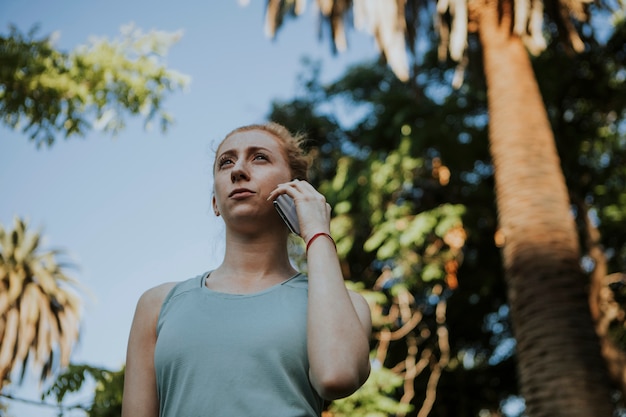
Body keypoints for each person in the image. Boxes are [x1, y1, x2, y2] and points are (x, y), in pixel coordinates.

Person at [121, 122, 372, 417]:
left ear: (296, 190)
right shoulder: (157, 305)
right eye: (226, 162)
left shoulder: (346, 305)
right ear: (215, 202)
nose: (238, 171)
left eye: (260, 157)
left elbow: (336, 376)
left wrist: (316, 231)